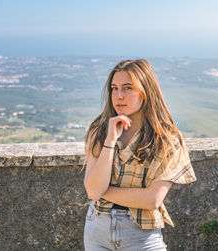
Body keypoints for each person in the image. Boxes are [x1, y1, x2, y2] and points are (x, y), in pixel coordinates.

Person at [83, 59, 196, 250]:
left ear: (146, 91)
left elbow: (152, 200)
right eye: (114, 88)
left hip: (141, 235)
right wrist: (110, 141)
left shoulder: (167, 139)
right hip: (97, 231)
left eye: (128, 88)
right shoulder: (99, 131)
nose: (119, 96)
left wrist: (101, 192)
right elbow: (93, 190)